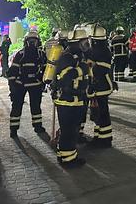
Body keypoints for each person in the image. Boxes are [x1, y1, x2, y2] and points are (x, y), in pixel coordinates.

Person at [53, 27, 91, 168]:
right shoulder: (67, 57)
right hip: (67, 100)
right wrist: (82, 69)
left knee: (72, 131)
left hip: (75, 99)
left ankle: (67, 156)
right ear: (76, 43)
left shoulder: (77, 56)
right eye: (84, 42)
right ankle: (68, 161)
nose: (86, 44)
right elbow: (65, 78)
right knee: (68, 131)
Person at [7, 31, 47, 138]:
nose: (32, 43)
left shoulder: (25, 54)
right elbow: (12, 72)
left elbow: (45, 71)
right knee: (31, 106)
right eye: (31, 41)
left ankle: (14, 130)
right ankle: (35, 127)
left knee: (22, 106)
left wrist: (12, 86)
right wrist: (12, 88)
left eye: (33, 41)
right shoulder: (38, 54)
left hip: (23, 85)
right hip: (26, 85)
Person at [86, 25, 114, 148]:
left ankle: (106, 139)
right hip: (96, 86)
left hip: (102, 86)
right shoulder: (97, 49)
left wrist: (90, 65)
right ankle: (98, 136)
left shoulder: (104, 51)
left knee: (103, 114)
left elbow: (102, 68)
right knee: (97, 113)